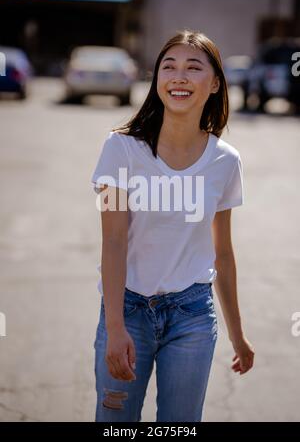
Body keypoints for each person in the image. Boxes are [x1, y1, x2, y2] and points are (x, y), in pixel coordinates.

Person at [91, 29, 255, 422]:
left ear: (214, 84)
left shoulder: (225, 161)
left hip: (192, 315)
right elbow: (113, 242)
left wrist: (237, 334)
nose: (179, 76)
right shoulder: (120, 149)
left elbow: (223, 252)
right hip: (127, 310)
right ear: (157, 80)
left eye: (193, 67)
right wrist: (115, 327)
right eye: (169, 67)